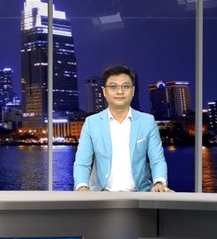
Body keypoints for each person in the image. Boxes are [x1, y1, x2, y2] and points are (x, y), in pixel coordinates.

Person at [73, 65, 172, 193]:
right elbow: (82, 163)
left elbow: (157, 160)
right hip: (101, 195)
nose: (120, 92)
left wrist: (159, 182)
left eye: (125, 86)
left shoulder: (147, 122)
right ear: (104, 91)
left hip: (140, 194)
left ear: (133, 90)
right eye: (113, 86)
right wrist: (82, 186)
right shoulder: (91, 123)